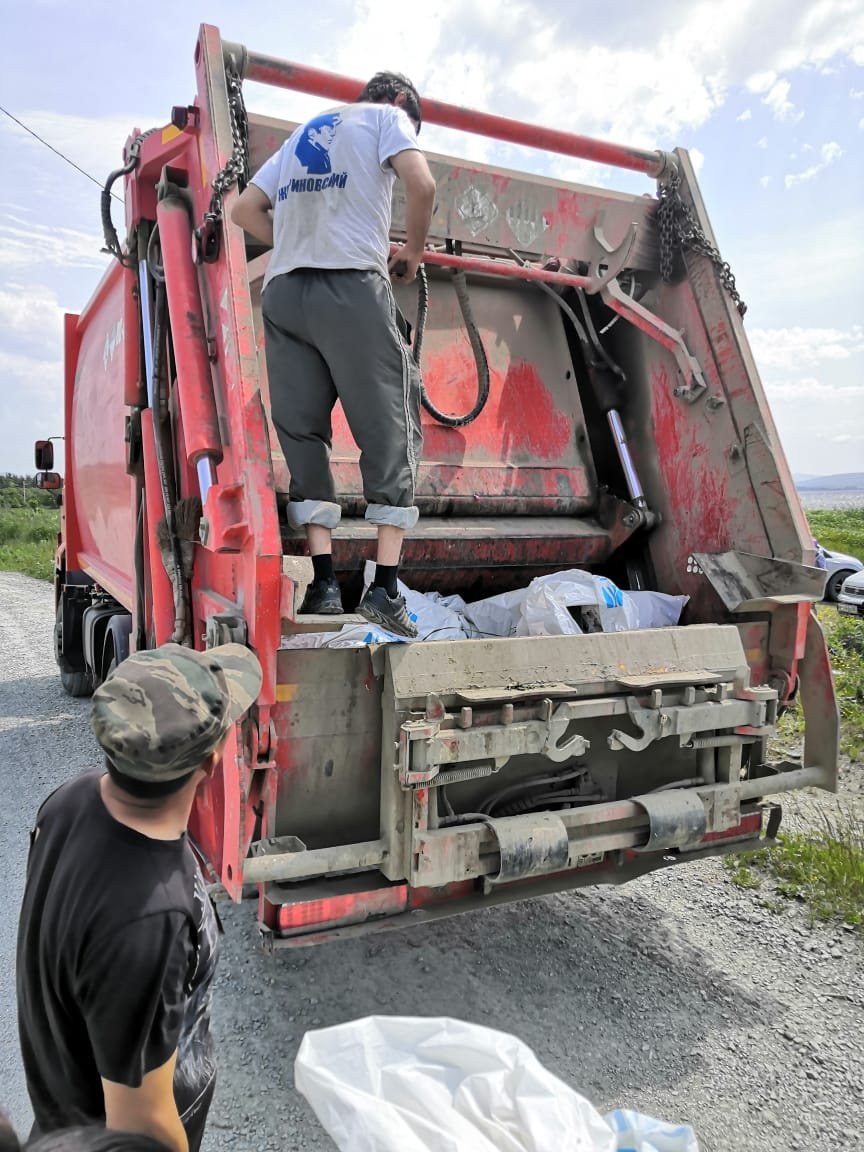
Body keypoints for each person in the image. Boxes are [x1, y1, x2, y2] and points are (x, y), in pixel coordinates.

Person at [16, 642, 263, 1152]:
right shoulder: (150, 921)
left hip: (62, 1118)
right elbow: (140, 1126)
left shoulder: (68, 801)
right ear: (212, 763)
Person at [231, 71, 437, 637]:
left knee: (303, 434)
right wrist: (414, 254)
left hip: (284, 293)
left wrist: (301, 238)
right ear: (399, 103)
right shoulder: (386, 119)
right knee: (390, 426)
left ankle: (324, 585)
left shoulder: (302, 134)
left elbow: (243, 211)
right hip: (350, 287)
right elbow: (422, 187)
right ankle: (384, 589)